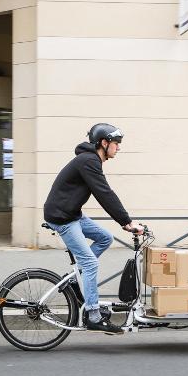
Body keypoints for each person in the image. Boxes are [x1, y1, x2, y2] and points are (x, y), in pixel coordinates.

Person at [43, 123, 143, 334]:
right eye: (116, 144)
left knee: (105, 238)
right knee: (90, 264)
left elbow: (103, 193)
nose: (118, 148)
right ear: (103, 143)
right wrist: (127, 222)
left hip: (72, 214)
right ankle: (93, 315)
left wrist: (124, 222)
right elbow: (104, 193)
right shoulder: (88, 161)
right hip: (62, 218)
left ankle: (77, 278)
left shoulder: (91, 161)